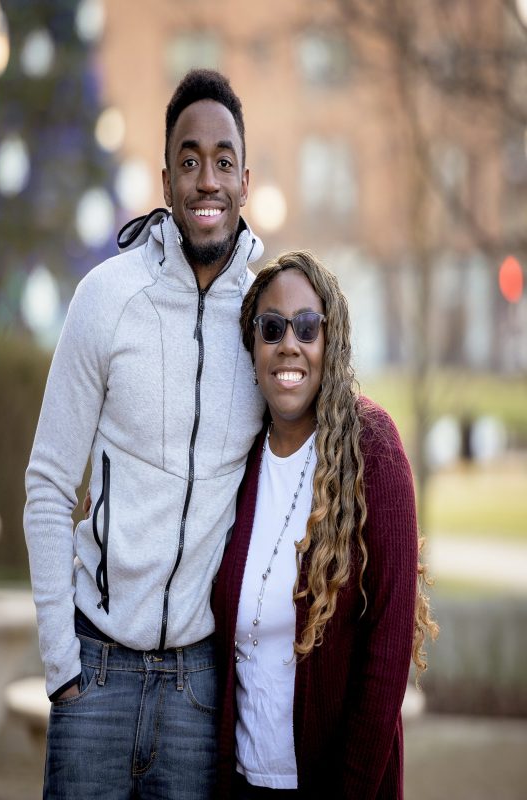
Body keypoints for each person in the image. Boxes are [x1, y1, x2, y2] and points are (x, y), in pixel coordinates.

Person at [24, 69, 266, 800]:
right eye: (189, 161)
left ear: (246, 180)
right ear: (165, 178)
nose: (206, 180)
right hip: (94, 675)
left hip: (198, 687)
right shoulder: (106, 298)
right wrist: (60, 666)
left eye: (223, 161)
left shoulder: (268, 315)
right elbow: (47, 485)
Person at [212, 251, 438, 799]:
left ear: (327, 341)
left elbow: (386, 658)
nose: (289, 343)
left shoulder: (372, 450)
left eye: (306, 326)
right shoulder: (237, 462)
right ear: (253, 346)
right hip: (242, 780)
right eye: (271, 328)